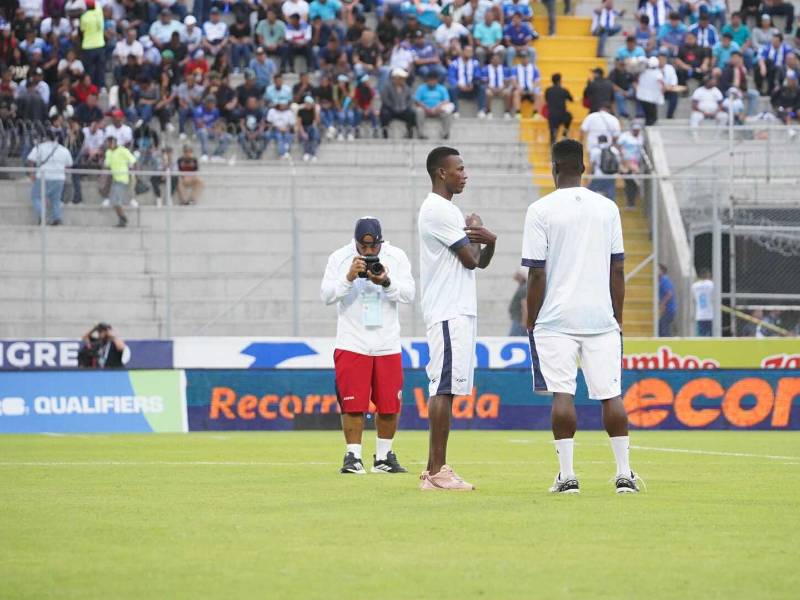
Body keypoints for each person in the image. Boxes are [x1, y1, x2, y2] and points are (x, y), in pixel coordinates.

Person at [521, 138, 638, 494]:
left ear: (554, 168)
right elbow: (617, 269)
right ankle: (624, 474)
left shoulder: (540, 210)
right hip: (600, 318)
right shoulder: (607, 208)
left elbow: (537, 272)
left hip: (556, 319)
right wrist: (616, 316)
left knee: (562, 394)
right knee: (611, 395)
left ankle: (568, 477)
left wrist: (531, 315)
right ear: (584, 168)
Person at [417, 147, 497, 491]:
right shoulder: (440, 209)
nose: (465, 174)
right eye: (459, 169)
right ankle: (437, 472)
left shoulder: (445, 209)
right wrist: (483, 234)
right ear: (441, 173)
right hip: (449, 309)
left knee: (445, 388)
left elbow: (477, 260)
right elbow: (470, 259)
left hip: (454, 308)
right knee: (443, 389)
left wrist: (486, 240)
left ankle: (433, 469)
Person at [320, 217, 415, 475]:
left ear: (381, 241)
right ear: (356, 243)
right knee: (353, 403)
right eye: (364, 247)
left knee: (389, 403)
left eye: (374, 247)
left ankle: (383, 458)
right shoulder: (340, 258)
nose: (370, 252)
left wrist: (385, 281)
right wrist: (348, 277)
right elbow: (326, 296)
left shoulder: (396, 256)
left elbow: (409, 294)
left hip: (387, 341)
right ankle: (353, 456)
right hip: (352, 340)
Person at [27, 130, 73, 226]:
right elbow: (69, 164)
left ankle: (43, 215)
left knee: (35, 196)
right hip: (59, 178)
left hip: (43, 176)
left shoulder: (40, 147)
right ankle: (57, 218)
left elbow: (30, 159)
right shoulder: (64, 149)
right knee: (56, 200)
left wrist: (32, 174)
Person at [103, 136, 136, 228]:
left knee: (116, 201)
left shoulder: (123, 150)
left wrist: (132, 170)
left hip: (122, 178)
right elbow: (107, 164)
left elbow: (132, 160)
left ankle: (123, 218)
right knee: (114, 201)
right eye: (108, 143)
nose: (109, 145)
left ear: (115, 142)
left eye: (110, 143)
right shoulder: (108, 152)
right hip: (114, 179)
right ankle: (122, 217)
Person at [415, 71, 454, 139]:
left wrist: (438, 107)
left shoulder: (442, 88)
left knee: (448, 113)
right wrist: (425, 107)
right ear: (427, 80)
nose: (432, 81)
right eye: (430, 80)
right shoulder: (421, 88)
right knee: (419, 111)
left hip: (438, 110)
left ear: (437, 80)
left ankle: (445, 133)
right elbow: (417, 100)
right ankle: (420, 133)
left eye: (433, 80)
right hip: (425, 110)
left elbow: (446, 100)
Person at [379, 68, 417, 139]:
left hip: (403, 109)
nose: (403, 80)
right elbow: (385, 99)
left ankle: (409, 132)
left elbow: (409, 100)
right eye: (401, 78)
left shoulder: (406, 88)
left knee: (411, 114)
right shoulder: (387, 87)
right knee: (384, 114)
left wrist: (405, 107)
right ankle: (385, 133)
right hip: (391, 109)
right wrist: (392, 107)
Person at [544, 73, 573, 145]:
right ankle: (564, 134)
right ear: (560, 81)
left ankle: (552, 147)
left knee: (552, 135)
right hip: (562, 115)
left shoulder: (548, 90)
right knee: (569, 117)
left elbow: (546, 99)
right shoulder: (564, 90)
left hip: (552, 115)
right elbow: (571, 99)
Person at [636, 56, 664, 126]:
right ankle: (649, 120)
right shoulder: (644, 71)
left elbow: (661, 82)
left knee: (651, 109)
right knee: (647, 110)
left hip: (651, 95)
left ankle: (652, 120)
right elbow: (639, 60)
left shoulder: (657, 73)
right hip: (644, 94)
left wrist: (662, 89)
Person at [692, 268, 714, 336]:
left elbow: (694, 299)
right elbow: (714, 297)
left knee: (701, 335)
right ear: (708, 275)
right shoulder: (711, 284)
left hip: (700, 314)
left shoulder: (694, 286)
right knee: (712, 334)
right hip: (710, 314)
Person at [658, 263, 676, 336]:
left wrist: (662, 304)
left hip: (668, 310)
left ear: (661, 271)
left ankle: (668, 343)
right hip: (666, 310)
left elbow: (669, 294)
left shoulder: (664, 280)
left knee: (664, 330)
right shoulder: (660, 280)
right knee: (661, 328)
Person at [508, 268, 528, 336]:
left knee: (513, 339)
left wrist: (524, 323)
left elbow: (525, 306)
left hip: (519, 321)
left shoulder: (524, 288)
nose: (515, 275)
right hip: (518, 320)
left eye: (518, 273)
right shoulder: (522, 287)